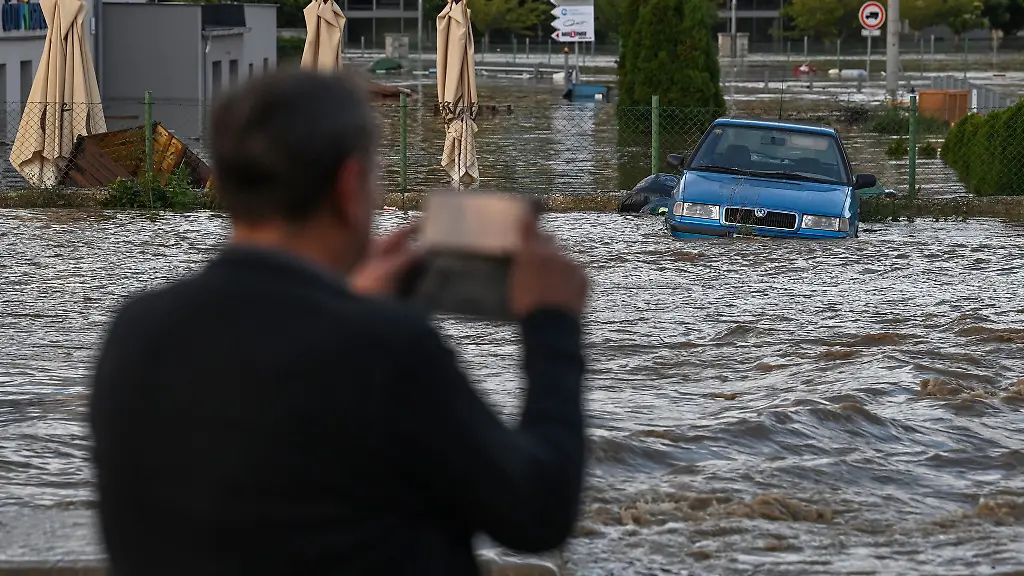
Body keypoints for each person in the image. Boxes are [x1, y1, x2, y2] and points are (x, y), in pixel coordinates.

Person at [88, 70, 589, 575]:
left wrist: (349, 301)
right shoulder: (386, 350)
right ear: (350, 187)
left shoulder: (136, 332)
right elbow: (537, 511)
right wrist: (552, 323)